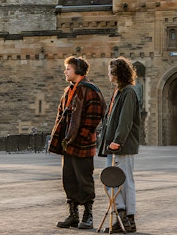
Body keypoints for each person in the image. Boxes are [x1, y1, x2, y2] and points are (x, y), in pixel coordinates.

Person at [49, 56, 105, 230]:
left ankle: (88, 216)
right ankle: (73, 215)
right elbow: (61, 115)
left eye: (68, 69)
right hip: (68, 143)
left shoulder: (91, 90)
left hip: (82, 144)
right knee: (69, 179)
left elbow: (94, 117)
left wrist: (80, 137)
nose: (65, 71)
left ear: (78, 70)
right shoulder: (69, 90)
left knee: (84, 180)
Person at [98, 56, 141, 233]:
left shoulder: (128, 92)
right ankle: (124, 218)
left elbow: (125, 120)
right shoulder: (119, 91)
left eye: (110, 71)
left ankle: (126, 218)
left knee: (123, 181)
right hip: (113, 145)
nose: (108, 74)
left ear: (117, 73)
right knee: (113, 181)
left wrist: (118, 141)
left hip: (121, 145)